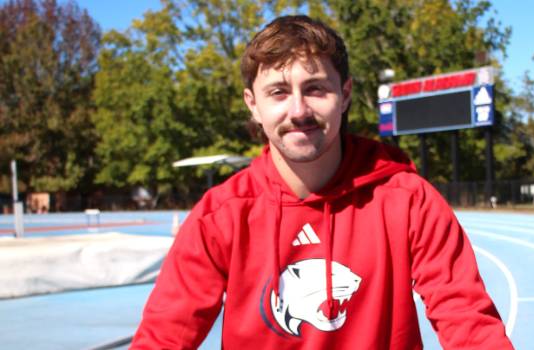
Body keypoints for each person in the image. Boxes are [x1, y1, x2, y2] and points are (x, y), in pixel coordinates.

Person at [131, 15, 514, 349]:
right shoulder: (221, 215)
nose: (298, 111)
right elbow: (165, 335)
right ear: (253, 104)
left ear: (344, 94)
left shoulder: (407, 200)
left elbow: (466, 318)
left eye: (315, 88)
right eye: (278, 92)